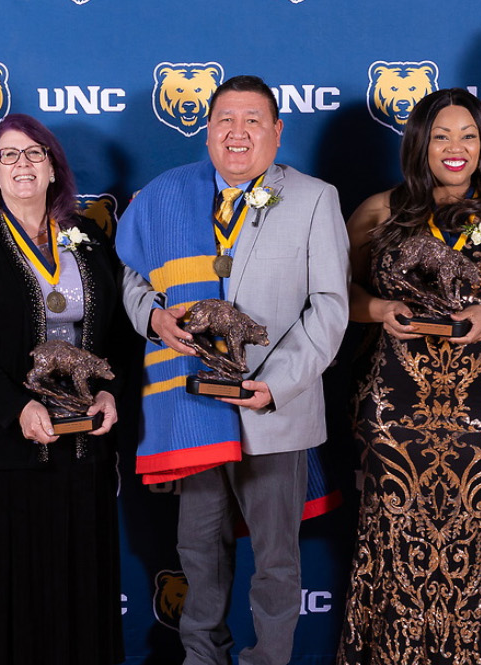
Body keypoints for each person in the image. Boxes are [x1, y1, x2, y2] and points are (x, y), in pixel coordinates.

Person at [118, 74, 350, 665]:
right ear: (207, 131)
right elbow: (134, 277)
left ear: (277, 130)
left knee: (275, 560)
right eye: (225, 119)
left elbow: (329, 307)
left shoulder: (314, 197)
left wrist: (275, 385)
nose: (237, 132)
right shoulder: (167, 195)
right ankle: (202, 658)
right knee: (198, 553)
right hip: (193, 410)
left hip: (273, 410)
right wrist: (153, 318)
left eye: (252, 120)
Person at [336, 88, 481, 665]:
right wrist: (379, 308)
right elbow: (336, 295)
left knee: (469, 541)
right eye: (440, 136)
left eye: (468, 135)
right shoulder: (378, 211)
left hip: (480, 411)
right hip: (393, 409)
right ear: (420, 143)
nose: (454, 147)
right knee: (390, 540)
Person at [0, 114, 124, 665]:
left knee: (78, 586)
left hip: (82, 447)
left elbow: (118, 333)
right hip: (2, 448)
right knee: (7, 593)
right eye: (9, 155)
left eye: (34, 153)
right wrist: (15, 407)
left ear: (53, 168)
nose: (22, 164)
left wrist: (109, 392)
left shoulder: (88, 239)